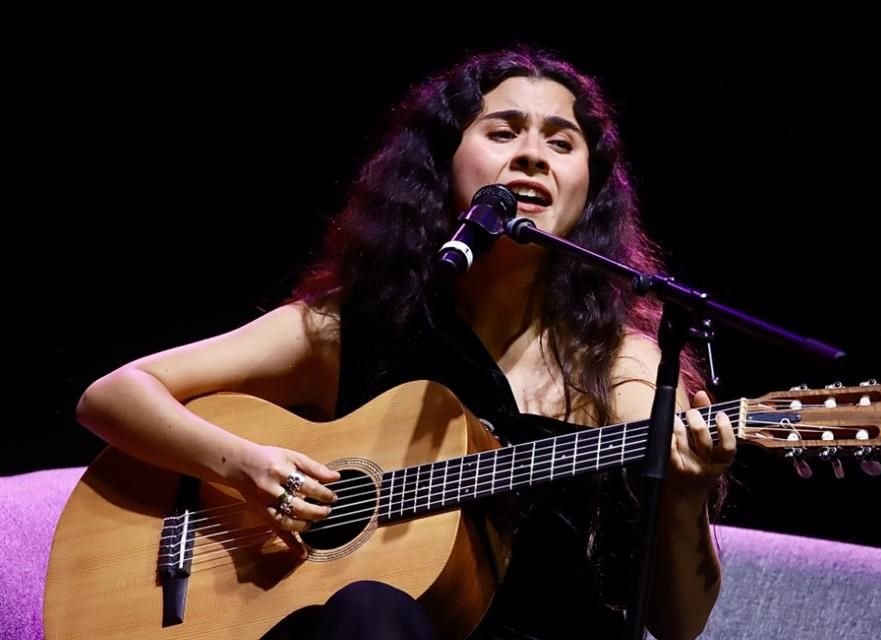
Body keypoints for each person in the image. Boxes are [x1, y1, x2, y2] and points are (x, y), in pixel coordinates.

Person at [76, 44, 736, 640]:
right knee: (369, 605)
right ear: (442, 163)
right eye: (503, 132)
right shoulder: (352, 328)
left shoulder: (621, 364)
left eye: (562, 144)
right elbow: (114, 396)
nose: (532, 154)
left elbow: (677, 625)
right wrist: (245, 467)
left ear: (589, 190)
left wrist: (683, 495)